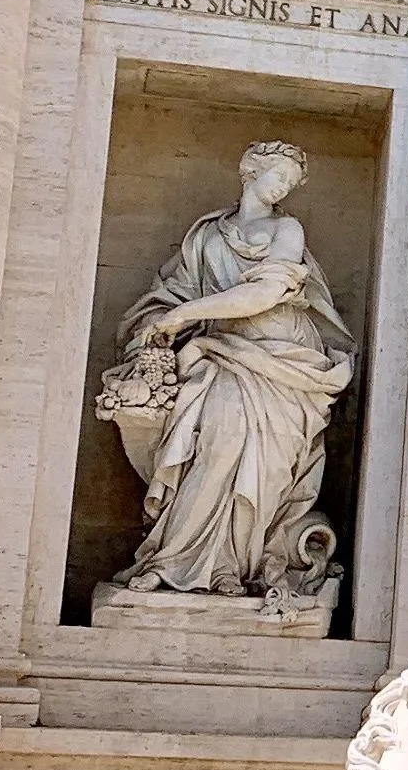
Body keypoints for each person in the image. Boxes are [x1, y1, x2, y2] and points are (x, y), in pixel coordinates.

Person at [99, 143, 355, 604]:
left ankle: (238, 566)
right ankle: (174, 561)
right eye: (278, 176)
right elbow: (171, 295)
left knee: (265, 463)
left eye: (291, 183)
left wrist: (185, 318)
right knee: (216, 439)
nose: (284, 188)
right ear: (249, 171)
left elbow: (265, 292)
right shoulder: (206, 236)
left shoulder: (287, 228)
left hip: (282, 362)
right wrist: (157, 325)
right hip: (220, 354)